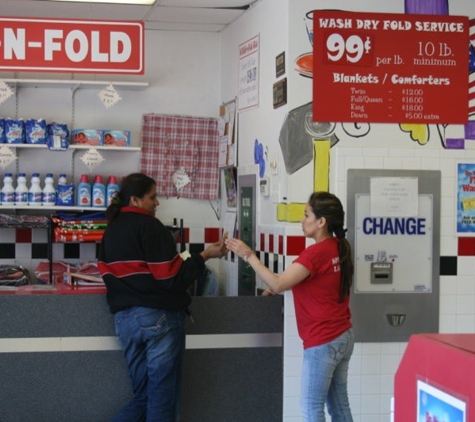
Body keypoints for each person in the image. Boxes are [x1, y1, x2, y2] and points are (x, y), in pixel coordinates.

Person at [98, 173, 227, 422]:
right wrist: (205, 256)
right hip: (158, 318)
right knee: (161, 401)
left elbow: (108, 271)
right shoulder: (150, 226)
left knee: (145, 396)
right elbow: (171, 278)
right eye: (153, 197)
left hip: (124, 321)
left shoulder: (111, 229)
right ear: (135, 200)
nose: (157, 203)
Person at [225, 191, 354, 422]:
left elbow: (279, 282)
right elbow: (312, 282)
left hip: (323, 340)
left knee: (311, 407)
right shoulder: (339, 247)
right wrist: (275, 288)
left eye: (306, 215)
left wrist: (249, 255)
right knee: (339, 407)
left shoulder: (315, 253)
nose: (301, 221)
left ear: (321, 222)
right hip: (343, 336)